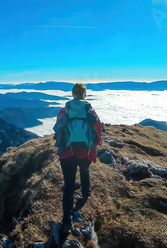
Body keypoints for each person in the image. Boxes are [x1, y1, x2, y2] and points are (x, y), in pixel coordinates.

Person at [53, 83, 103, 237]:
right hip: (85, 153)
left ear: (72, 94)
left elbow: (58, 129)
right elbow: (98, 134)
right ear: (85, 95)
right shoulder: (91, 111)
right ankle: (85, 195)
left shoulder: (64, 111)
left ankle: (66, 223)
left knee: (68, 188)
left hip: (67, 154)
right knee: (84, 170)